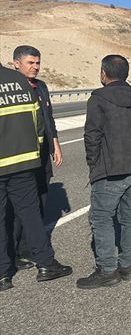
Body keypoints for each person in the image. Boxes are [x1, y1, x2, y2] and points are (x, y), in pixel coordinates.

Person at [77, 55, 131, 289]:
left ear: (104, 73)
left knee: (101, 217)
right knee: (130, 217)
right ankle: (127, 266)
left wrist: (94, 164)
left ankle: (107, 270)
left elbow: (92, 136)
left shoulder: (98, 99)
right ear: (126, 74)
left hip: (111, 168)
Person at [0, 65, 72, 291]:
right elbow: (39, 123)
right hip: (25, 162)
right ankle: (45, 264)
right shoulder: (21, 81)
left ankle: (3, 273)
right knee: (31, 215)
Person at [9, 45, 62, 270]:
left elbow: (48, 118)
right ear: (16, 64)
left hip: (40, 154)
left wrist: (55, 144)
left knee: (40, 199)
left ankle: (28, 247)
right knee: (16, 207)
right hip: (19, 156)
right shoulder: (10, 89)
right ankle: (12, 252)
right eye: (30, 63)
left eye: (38, 63)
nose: (36, 67)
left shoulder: (41, 87)